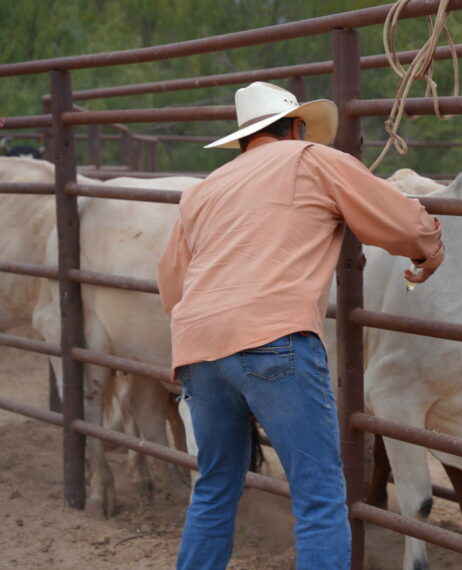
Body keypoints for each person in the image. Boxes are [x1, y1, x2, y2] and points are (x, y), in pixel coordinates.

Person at [157, 81, 444, 570]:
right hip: (274, 336)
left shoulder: (202, 192)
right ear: (294, 127)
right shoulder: (310, 159)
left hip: (198, 348)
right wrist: (429, 248)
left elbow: (171, 285)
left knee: (214, 489)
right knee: (319, 495)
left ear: (245, 138)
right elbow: (402, 221)